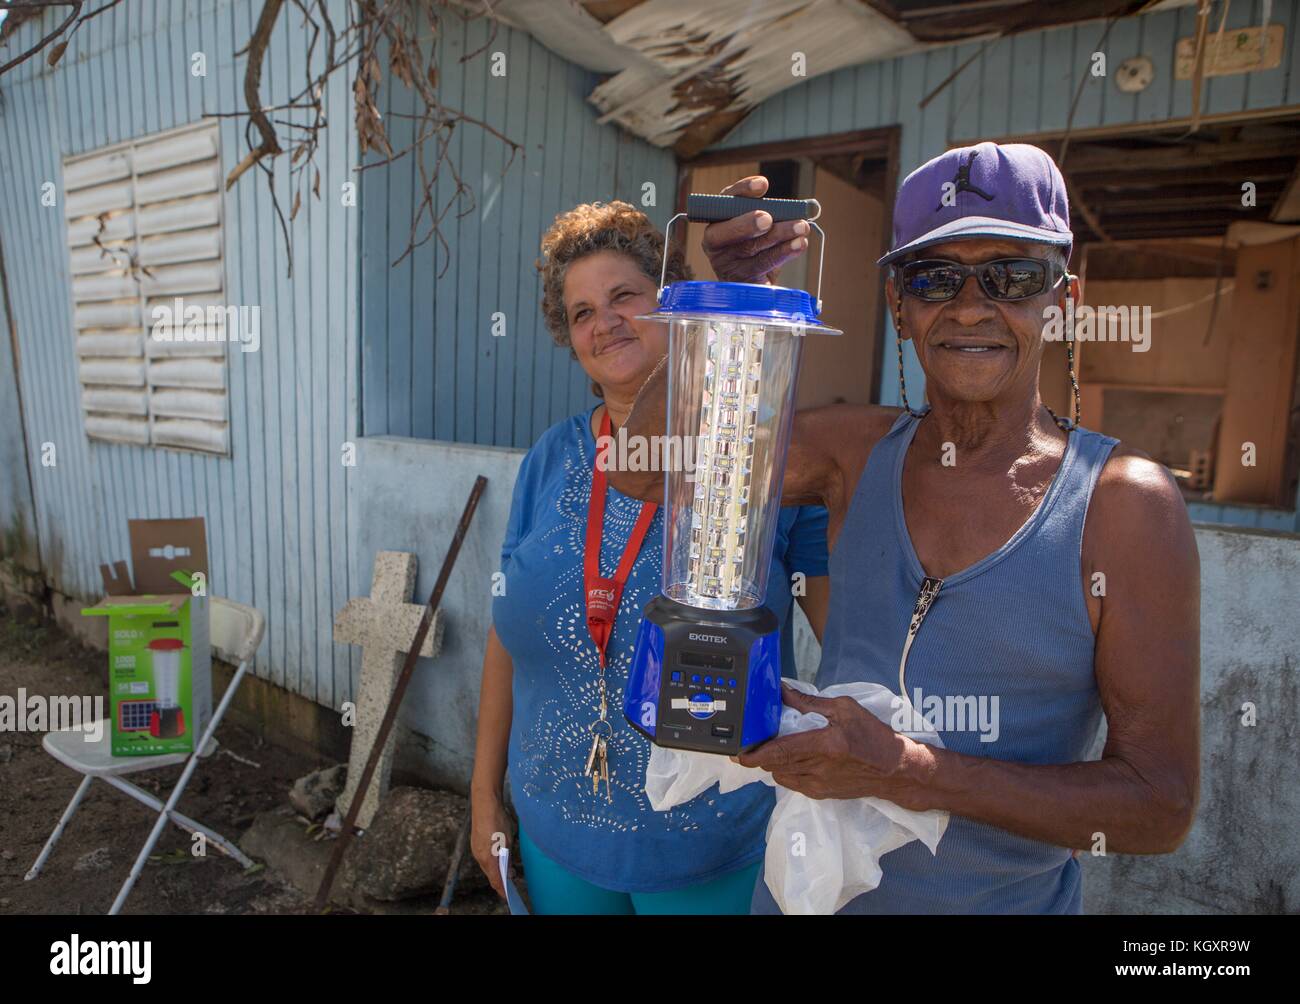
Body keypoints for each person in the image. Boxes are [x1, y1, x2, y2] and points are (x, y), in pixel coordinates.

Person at [613, 143, 1200, 913]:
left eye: (1012, 276)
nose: (970, 306)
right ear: (899, 303)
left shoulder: (1123, 508)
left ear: (1062, 301)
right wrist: (727, 302)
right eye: (935, 278)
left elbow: (1158, 806)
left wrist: (905, 771)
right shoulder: (856, 452)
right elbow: (645, 469)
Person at [469, 200, 831, 914]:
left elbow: (851, 633)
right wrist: (484, 800)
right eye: (580, 312)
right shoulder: (550, 459)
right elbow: (507, 636)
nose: (603, 322)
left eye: (623, 296)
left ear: (672, 307)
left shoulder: (759, 455)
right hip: (555, 831)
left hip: (710, 842)